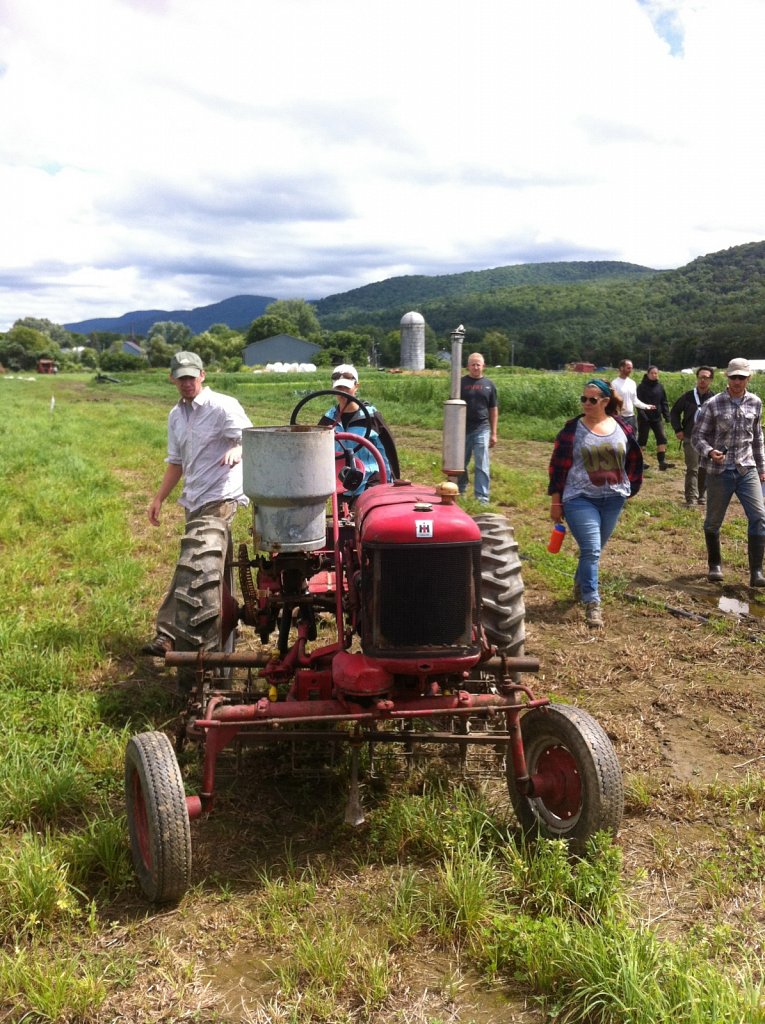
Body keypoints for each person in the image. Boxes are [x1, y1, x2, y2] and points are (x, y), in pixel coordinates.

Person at [141, 351, 253, 655]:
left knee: (191, 565)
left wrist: (237, 451)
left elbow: (249, 438)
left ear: (202, 375)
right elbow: (176, 462)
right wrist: (159, 498)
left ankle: (168, 633)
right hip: (194, 497)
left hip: (221, 494)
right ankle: (228, 624)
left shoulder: (222, 406)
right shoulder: (175, 416)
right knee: (211, 566)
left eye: (192, 376)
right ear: (172, 379)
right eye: (181, 378)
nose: (187, 382)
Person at [548, 379, 643, 628]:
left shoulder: (621, 426)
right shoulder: (572, 430)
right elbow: (557, 467)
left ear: (605, 401)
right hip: (579, 497)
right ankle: (593, 602)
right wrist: (556, 501)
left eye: (592, 400)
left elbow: (633, 457)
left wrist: (629, 487)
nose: (586, 404)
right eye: (583, 399)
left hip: (613, 498)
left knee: (593, 550)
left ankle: (580, 586)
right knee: (591, 550)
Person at [691, 357, 765, 587]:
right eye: (733, 377)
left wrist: (762, 468)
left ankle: (757, 572)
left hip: (746, 469)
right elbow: (697, 437)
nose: (737, 381)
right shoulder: (713, 404)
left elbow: (757, 439)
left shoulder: (755, 402)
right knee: (713, 522)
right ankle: (715, 565)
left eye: (741, 377)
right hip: (719, 471)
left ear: (748, 378)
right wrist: (710, 451)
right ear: (727, 377)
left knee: (760, 518)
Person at [318, 364, 398, 498]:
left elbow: (388, 451)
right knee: (342, 516)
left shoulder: (371, 418)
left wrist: (392, 481)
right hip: (342, 478)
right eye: (339, 387)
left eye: (346, 387)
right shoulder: (329, 419)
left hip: (371, 478)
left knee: (363, 513)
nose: (342, 391)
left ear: (356, 386)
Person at [669, 366, 715, 507]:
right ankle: (691, 498)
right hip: (690, 437)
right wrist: (678, 429)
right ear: (697, 378)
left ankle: (702, 494)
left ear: (711, 380)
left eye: (706, 377)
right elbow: (674, 413)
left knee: (705, 468)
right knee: (692, 468)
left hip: (708, 440)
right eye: (700, 377)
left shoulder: (714, 398)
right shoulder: (688, 397)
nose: (703, 380)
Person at [458, 352, 498, 504]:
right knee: (460, 464)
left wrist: (494, 433)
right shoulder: (460, 383)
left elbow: (493, 409)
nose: (475, 367)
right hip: (462, 430)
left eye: (478, 364)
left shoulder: (489, 385)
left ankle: (482, 499)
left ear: (483, 366)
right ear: (468, 366)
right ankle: (460, 492)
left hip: (482, 429)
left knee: (482, 464)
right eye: (472, 364)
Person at [636, 365, 674, 470]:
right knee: (642, 440)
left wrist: (667, 416)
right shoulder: (641, 387)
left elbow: (664, 402)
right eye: (652, 373)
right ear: (647, 374)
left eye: (656, 373)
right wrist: (643, 415)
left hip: (657, 417)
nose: (654, 375)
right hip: (644, 418)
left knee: (662, 438)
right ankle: (639, 462)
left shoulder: (660, 387)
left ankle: (662, 462)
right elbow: (637, 403)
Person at [611, 358, 654, 434]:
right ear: (621, 368)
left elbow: (635, 400)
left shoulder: (632, 383)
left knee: (633, 441)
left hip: (631, 417)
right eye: (628, 368)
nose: (631, 370)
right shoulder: (614, 384)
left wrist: (646, 406)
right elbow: (613, 401)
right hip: (619, 418)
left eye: (631, 368)